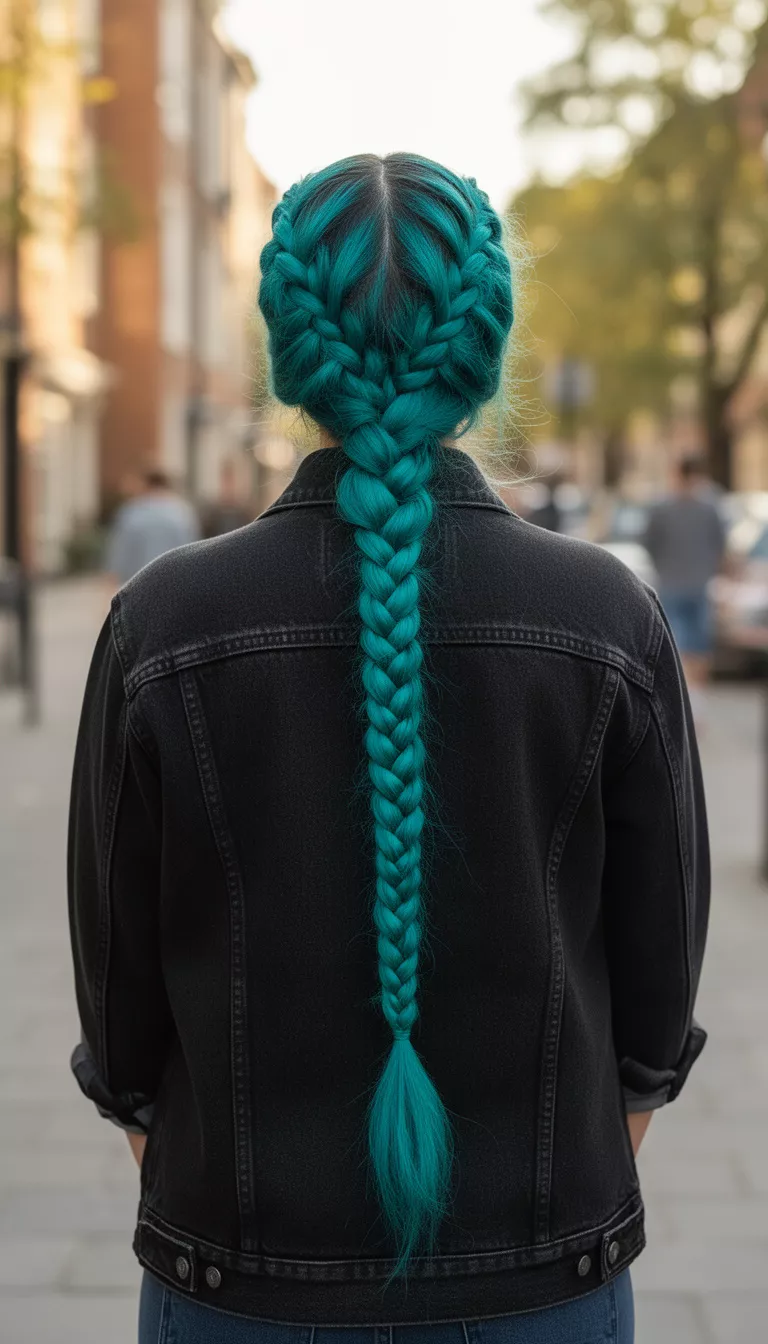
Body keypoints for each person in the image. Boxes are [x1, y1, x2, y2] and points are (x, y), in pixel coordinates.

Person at [68, 155, 709, 1344]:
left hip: (239, 1280)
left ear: (286, 345)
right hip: (545, 1278)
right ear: (487, 344)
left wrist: (191, 1164)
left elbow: (117, 989)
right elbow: (660, 980)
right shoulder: (610, 619)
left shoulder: (161, 622)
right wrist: (569, 1180)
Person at [643, 456, 725, 710]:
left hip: (671, 583)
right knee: (699, 646)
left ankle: (683, 702)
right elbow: (720, 545)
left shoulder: (663, 507)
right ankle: (697, 703)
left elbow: (649, 542)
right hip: (699, 583)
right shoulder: (710, 507)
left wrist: (663, 567)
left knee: (676, 645)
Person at [104, 467, 200, 586]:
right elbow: (194, 552)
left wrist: (109, 589)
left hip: (136, 588)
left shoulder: (131, 512)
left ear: (145, 484)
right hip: (174, 587)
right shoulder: (183, 512)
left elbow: (119, 556)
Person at [202, 459, 255, 538]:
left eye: (232, 479)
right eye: (226, 479)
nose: (229, 485)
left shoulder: (246, 513)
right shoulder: (212, 515)